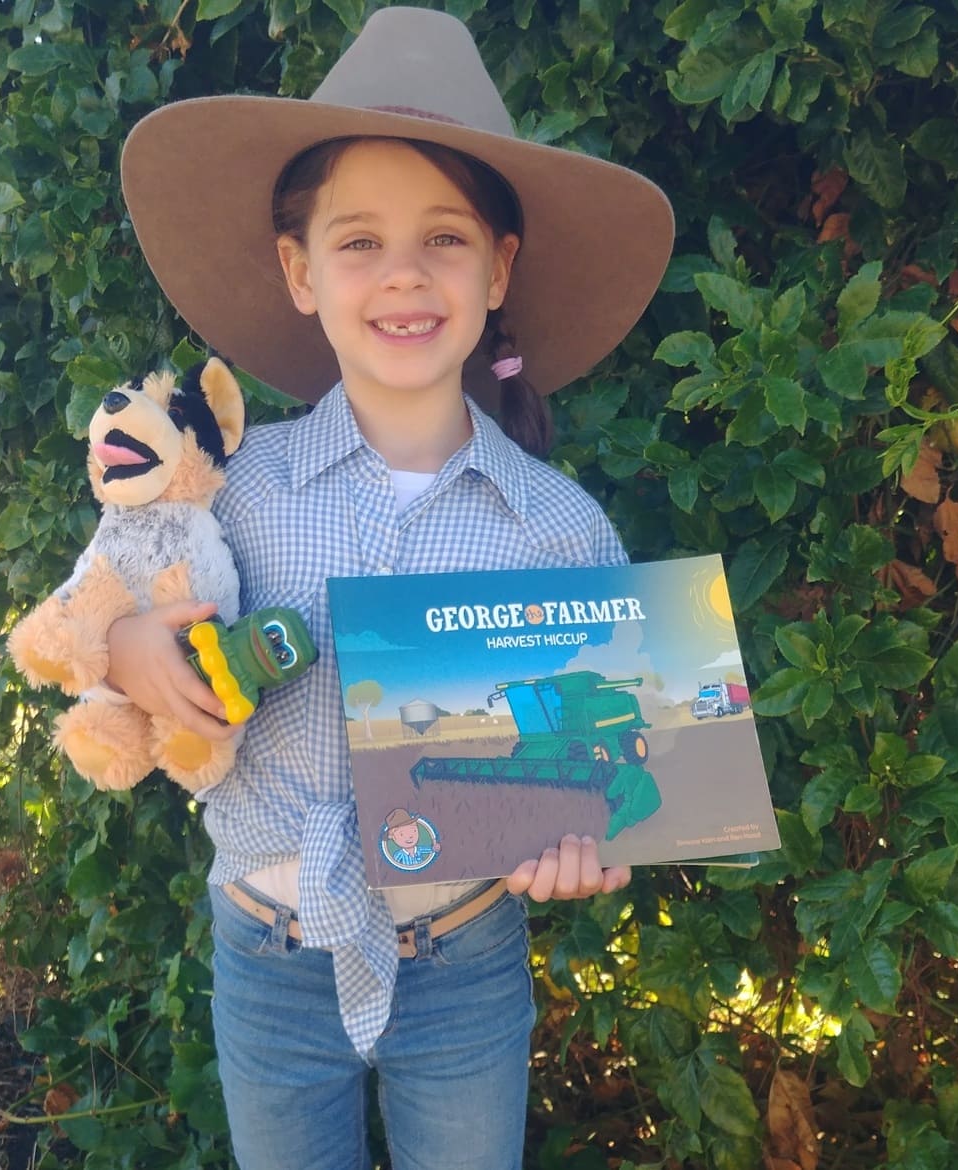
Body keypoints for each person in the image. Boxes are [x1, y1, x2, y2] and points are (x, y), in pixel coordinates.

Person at [105, 8, 674, 1169]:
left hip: (464, 965)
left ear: (499, 268)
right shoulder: (230, 484)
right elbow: (97, 611)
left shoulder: (562, 533)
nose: (403, 275)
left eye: (446, 240)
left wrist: (589, 833)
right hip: (266, 960)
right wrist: (131, 649)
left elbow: (624, 760)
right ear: (297, 271)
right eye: (358, 241)